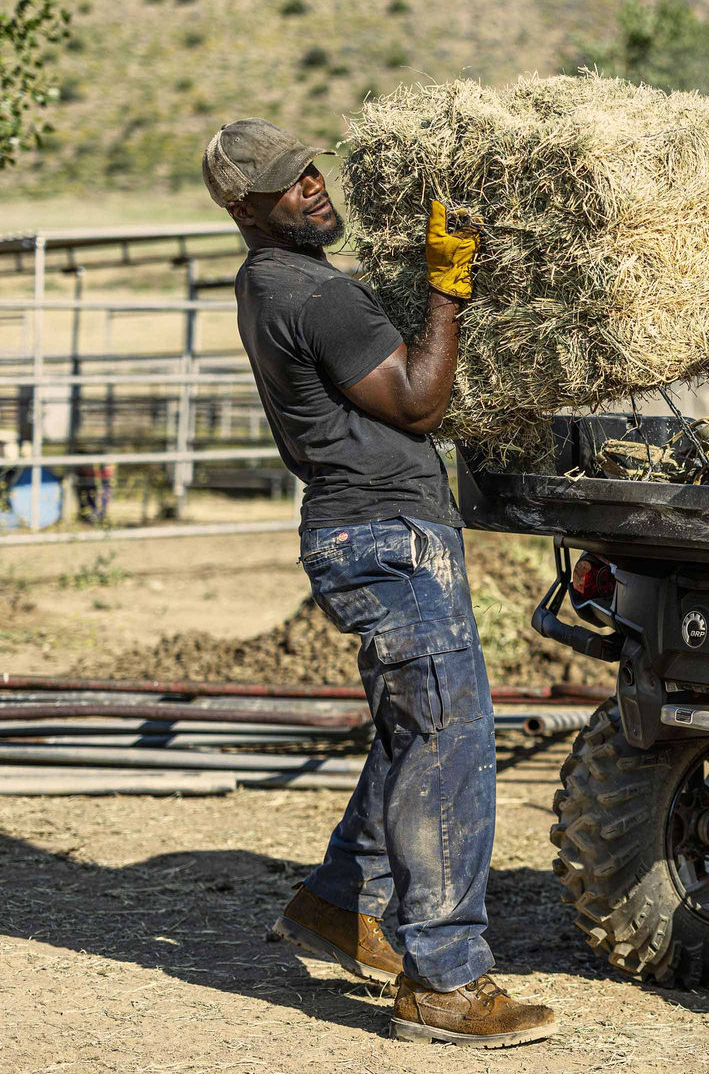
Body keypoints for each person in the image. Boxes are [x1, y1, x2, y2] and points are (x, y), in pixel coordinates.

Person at [202, 117, 556, 1048]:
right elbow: (418, 400)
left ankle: (334, 901)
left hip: (363, 529)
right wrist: (447, 292)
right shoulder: (312, 293)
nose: (313, 186)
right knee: (451, 738)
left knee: (417, 728)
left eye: (310, 169)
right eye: (288, 183)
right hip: (389, 537)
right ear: (244, 208)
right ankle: (443, 979)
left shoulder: (265, 281)